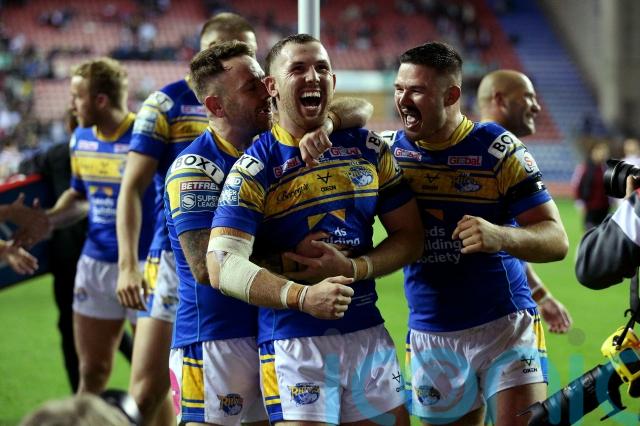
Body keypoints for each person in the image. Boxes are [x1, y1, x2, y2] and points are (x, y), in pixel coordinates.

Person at [206, 33, 423, 425]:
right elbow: (222, 264)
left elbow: (411, 237)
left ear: (333, 82)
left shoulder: (369, 148)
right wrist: (303, 297)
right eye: (298, 69)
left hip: (367, 331)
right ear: (272, 86)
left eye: (322, 68)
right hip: (293, 341)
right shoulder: (254, 168)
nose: (313, 76)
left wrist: (355, 268)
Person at [382, 42, 568, 425]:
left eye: (417, 90)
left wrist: (500, 236)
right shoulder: (387, 153)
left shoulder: (499, 150)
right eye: (399, 89)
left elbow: (556, 239)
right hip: (432, 334)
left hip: (505, 326)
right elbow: (342, 118)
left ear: (451, 95)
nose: (403, 100)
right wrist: (330, 124)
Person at [115, 13, 257, 426]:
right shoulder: (165, 103)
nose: (240, 57)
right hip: (174, 253)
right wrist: (127, 264)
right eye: (225, 48)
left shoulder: (260, 106)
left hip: (244, 247)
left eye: (248, 50)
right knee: (147, 390)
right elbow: (131, 188)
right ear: (204, 53)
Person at [21, 57, 156, 394]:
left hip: (146, 268)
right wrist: (49, 219)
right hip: (94, 266)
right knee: (92, 371)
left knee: (151, 380)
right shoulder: (80, 138)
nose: (70, 105)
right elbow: (81, 197)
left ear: (101, 100)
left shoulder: (148, 137)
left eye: (76, 97)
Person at [477, 69, 572, 334]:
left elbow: (510, 237)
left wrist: (541, 294)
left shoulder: (498, 153)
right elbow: (555, 241)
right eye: (528, 97)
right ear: (500, 99)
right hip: (496, 320)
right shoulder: (489, 154)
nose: (537, 106)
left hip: (486, 318)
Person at [575, 174, 640, 289]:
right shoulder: (589, 169)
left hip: (602, 209)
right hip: (593, 208)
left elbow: (589, 267)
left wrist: (628, 206)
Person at [572, 140, 610, 230]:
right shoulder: (584, 168)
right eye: (599, 150)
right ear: (592, 152)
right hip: (590, 208)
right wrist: (579, 203)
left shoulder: (607, 169)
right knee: (590, 233)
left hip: (605, 208)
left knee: (603, 234)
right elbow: (577, 185)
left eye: (604, 150)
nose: (602, 153)